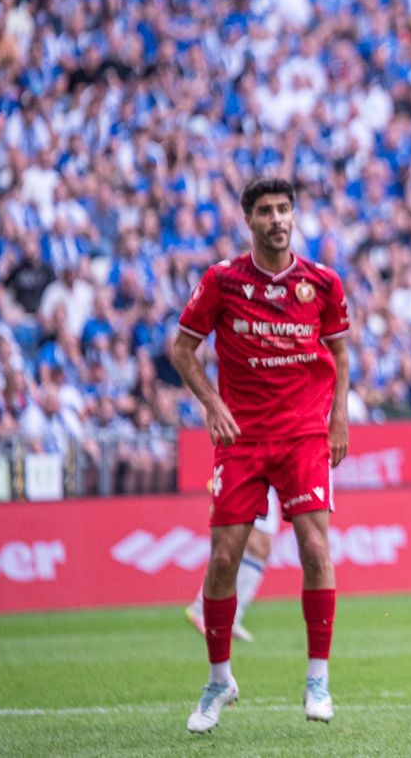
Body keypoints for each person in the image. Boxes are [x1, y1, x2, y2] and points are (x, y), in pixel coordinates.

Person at [169, 177, 351, 734]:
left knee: (316, 549)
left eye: (285, 209)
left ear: (294, 216)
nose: (277, 219)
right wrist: (212, 401)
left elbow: (340, 351)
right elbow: (181, 348)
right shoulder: (222, 281)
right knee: (223, 559)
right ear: (248, 219)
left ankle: (317, 678)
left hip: (302, 435)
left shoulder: (321, 282)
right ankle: (220, 679)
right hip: (241, 439)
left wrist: (338, 417)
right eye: (266, 211)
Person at [185, 488, 282, 644]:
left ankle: (228, 616)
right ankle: (204, 609)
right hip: (253, 471)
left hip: (268, 475)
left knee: (258, 547)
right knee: (249, 542)